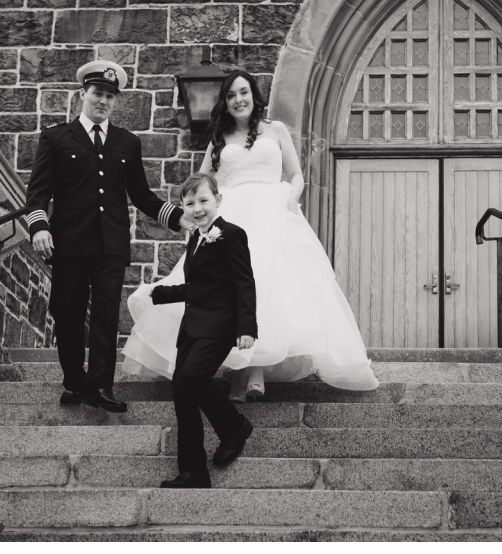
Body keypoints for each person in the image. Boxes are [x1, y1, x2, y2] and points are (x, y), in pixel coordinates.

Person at [121, 70, 379, 396]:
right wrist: (197, 213)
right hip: (231, 216)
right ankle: (236, 370)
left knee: (268, 286)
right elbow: (200, 182)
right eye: (230, 95)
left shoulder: (277, 130)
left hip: (273, 211)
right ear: (225, 103)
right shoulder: (219, 138)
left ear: (254, 96)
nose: (238, 100)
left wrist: (289, 201)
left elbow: (296, 175)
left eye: (243, 92)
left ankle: (254, 369)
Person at [25, 60, 189, 414]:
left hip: (110, 246)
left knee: (105, 315)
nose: (103, 101)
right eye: (97, 93)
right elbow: (37, 193)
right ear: (83, 94)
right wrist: (39, 226)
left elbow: (142, 195)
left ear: (116, 102)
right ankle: (73, 382)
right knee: (67, 314)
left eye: (110, 96)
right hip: (67, 243)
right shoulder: (56, 137)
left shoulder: (126, 142)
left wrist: (179, 217)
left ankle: (99, 385)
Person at [153, 173, 257, 489]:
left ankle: (235, 427)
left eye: (203, 201)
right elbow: (202, 286)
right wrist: (161, 293)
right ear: (183, 207)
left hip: (220, 324)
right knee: (182, 391)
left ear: (217, 200)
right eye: (190, 203)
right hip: (193, 327)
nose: (197, 208)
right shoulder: (196, 238)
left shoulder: (232, 234)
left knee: (193, 377)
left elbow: (243, 282)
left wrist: (247, 327)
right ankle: (194, 471)